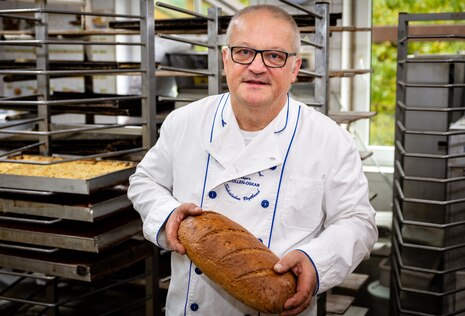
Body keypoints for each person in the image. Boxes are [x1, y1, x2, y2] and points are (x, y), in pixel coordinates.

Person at [128, 4, 378, 316]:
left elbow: (358, 221)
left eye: (275, 56)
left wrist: (316, 261)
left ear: (295, 67)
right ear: (225, 59)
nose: (257, 67)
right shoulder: (185, 123)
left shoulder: (328, 140)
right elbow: (144, 182)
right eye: (244, 52)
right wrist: (167, 216)